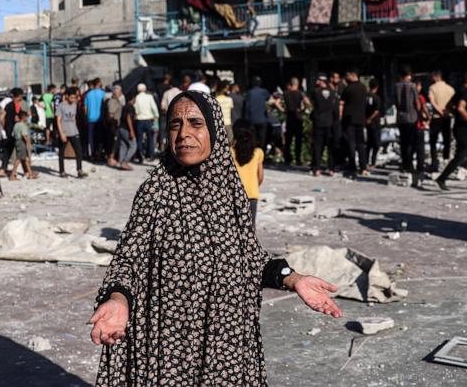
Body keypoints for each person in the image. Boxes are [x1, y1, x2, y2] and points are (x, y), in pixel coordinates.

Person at [88, 91, 342, 385]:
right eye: (175, 124)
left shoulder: (230, 191)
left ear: (214, 130)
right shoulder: (155, 192)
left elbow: (250, 258)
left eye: (195, 123)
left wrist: (293, 278)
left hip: (224, 345)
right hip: (170, 347)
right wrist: (119, 300)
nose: (183, 134)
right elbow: (127, 260)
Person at [232, 121, 264, 225]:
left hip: (234, 195)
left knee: (234, 226)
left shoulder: (230, 152)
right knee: (250, 227)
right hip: (252, 194)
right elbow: (260, 176)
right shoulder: (258, 152)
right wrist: (254, 185)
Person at [339, 70, 369, 176]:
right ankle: (363, 167)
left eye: (347, 75)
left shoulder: (348, 88)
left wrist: (340, 117)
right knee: (361, 144)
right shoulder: (363, 87)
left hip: (349, 119)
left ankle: (353, 168)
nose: (346, 77)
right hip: (360, 119)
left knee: (351, 144)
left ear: (353, 75)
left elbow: (341, 103)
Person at [427, 70, 455, 172]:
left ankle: (434, 162)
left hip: (436, 117)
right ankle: (446, 159)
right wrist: (447, 111)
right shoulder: (450, 89)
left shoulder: (432, 88)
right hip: (447, 116)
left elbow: (432, 101)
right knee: (446, 139)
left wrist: (439, 110)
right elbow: (453, 102)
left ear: (435, 77)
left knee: (433, 140)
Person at [309, 74, 337, 177]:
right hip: (329, 122)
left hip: (318, 122)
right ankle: (331, 169)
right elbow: (335, 108)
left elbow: (310, 103)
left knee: (317, 146)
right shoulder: (333, 93)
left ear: (321, 81)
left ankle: (317, 169)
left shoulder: (315, 92)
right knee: (330, 147)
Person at [57, 87, 86, 178]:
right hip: (64, 132)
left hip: (74, 131)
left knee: (79, 152)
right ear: (67, 96)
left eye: (75, 97)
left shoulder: (74, 105)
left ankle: (79, 170)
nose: (73, 99)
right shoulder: (61, 105)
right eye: (71, 97)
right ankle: (62, 171)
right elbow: (58, 120)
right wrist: (61, 134)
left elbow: (74, 118)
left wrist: (75, 128)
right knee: (61, 153)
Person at [394, 69, 418, 173]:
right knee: (411, 143)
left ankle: (404, 164)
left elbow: (395, 102)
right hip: (412, 117)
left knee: (403, 142)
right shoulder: (412, 86)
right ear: (407, 75)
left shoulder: (396, 86)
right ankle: (409, 164)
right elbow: (416, 102)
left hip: (400, 117)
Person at [282, 77, 309, 167]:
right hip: (298, 117)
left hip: (289, 117)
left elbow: (277, 102)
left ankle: (287, 158)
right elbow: (307, 103)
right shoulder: (300, 93)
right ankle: (298, 159)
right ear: (297, 84)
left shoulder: (286, 93)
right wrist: (303, 109)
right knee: (298, 140)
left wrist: (283, 110)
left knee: (288, 140)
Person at [411, 77, 431, 185]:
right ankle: (420, 168)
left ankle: (408, 166)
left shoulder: (408, 97)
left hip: (410, 125)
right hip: (419, 125)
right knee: (420, 149)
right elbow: (423, 108)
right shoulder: (420, 97)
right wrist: (428, 117)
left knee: (411, 147)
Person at [1, 88, 25, 175]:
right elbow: (14, 118)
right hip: (12, 131)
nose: (21, 99)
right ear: (16, 97)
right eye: (20, 97)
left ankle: (3, 169)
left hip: (11, 130)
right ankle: (26, 171)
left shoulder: (13, 105)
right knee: (19, 150)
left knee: (9, 150)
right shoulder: (12, 105)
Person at [244, 76, 271, 152]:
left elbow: (247, 107)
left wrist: (246, 120)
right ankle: (262, 155)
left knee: (253, 139)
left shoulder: (249, 93)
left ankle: (254, 155)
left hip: (252, 119)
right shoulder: (264, 92)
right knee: (262, 139)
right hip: (262, 119)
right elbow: (270, 100)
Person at [133, 83, 159, 161]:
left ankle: (140, 155)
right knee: (150, 138)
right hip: (149, 120)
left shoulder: (136, 98)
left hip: (139, 121)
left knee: (139, 139)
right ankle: (150, 155)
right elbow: (154, 107)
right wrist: (156, 116)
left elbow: (135, 110)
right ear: (145, 89)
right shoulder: (149, 97)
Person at [9, 111, 37, 180]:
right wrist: (29, 144)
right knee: (19, 159)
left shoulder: (16, 125)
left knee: (26, 158)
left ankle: (30, 173)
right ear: (23, 117)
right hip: (22, 142)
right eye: (26, 117)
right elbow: (24, 135)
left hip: (17, 141)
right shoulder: (23, 125)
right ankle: (12, 174)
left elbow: (13, 134)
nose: (27, 118)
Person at [84, 78, 106, 160]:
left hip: (90, 118)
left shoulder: (88, 94)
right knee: (99, 137)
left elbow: (85, 108)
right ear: (99, 83)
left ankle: (92, 154)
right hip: (100, 118)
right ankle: (98, 153)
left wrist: (85, 117)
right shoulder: (103, 94)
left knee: (91, 137)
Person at [115, 93, 137, 171]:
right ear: (132, 99)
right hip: (126, 129)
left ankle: (121, 162)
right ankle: (125, 162)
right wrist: (131, 130)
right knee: (133, 146)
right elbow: (128, 118)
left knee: (123, 145)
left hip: (121, 128)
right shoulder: (131, 107)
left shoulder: (124, 106)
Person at [105, 85, 125, 168]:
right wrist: (113, 125)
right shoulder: (112, 101)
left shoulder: (117, 101)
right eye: (119, 92)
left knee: (116, 142)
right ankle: (111, 158)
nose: (121, 93)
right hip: (114, 124)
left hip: (117, 124)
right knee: (114, 142)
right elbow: (111, 114)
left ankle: (113, 158)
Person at [366, 79, 382, 168]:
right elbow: (376, 111)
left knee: (369, 143)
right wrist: (370, 118)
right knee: (376, 144)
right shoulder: (376, 98)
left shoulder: (365, 96)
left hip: (368, 123)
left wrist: (366, 119)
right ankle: (372, 162)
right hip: (375, 123)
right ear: (376, 87)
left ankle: (366, 161)